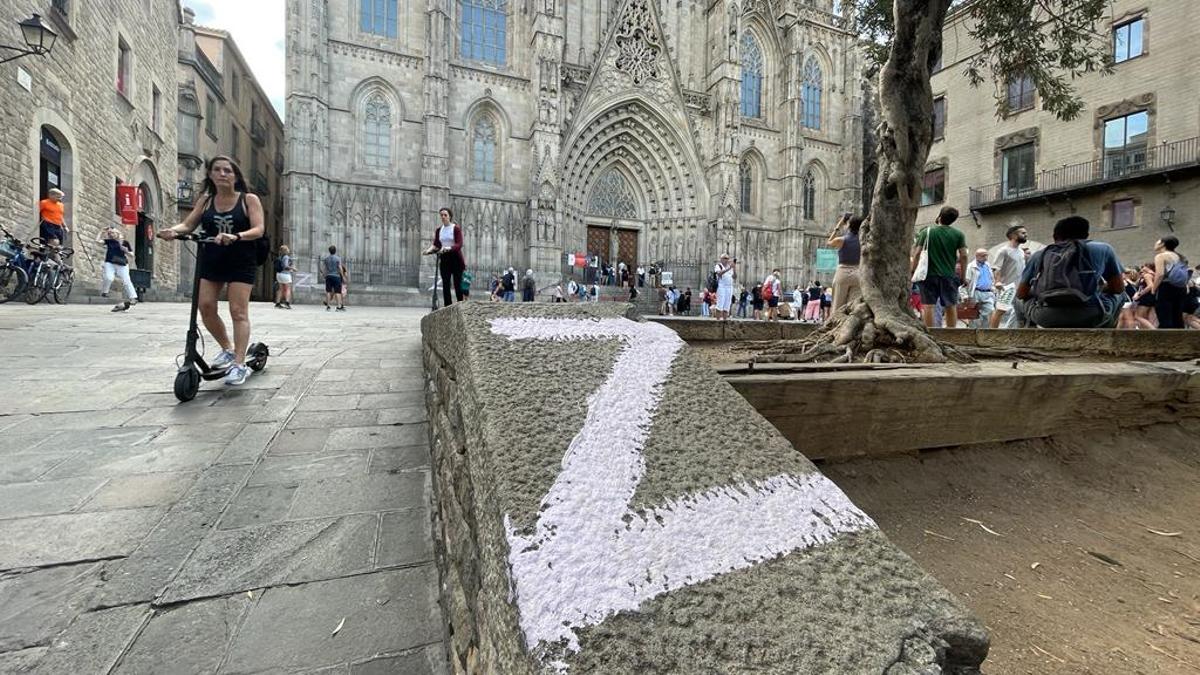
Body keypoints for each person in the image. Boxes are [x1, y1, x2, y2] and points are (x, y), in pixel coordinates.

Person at [157, 155, 265, 386]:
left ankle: (239, 364)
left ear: (235, 175)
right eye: (217, 170)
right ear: (210, 174)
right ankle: (228, 348)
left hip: (241, 259)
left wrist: (236, 236)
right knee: (205, 307)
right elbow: (188, 224)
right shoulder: (206, 201)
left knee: (238, 311)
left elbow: (258, 229)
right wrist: (173, 231)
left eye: (228, 170)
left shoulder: (249, 199)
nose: (222, 174)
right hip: (212, 258)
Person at [1017, 215, 1125, 329]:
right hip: (1092, 316)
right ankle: (1105, 334)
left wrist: (1040, 291)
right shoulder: (1104, 249)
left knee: (1017, 299)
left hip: (1046, 317)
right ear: (1086, 235)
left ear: (1055, 237)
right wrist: (1098, 288)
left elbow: (1021, 294)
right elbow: (1118, 288)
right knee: (1122, 295)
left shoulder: (1039, 255)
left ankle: (1028, 333)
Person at [912, 206, 968, 328]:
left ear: (939, 216)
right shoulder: (958, 234)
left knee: (928, 306)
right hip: (949, 275)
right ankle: (951, 334)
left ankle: (931, 334)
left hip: (928, 275)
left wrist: (912, 271)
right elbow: (963, 255)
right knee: (950, 305)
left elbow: (916, 253)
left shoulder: (926, 232)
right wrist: (963, 276)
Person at [424, 207, 465, 308]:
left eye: (445, 215)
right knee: (445, 284)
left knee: (457, 285)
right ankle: (448, 307)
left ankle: (461, 305)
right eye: (441, 215)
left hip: (455, 259)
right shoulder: (439, 230)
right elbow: (436, 244)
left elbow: (459, 244)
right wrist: (429, 250)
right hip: (445, 259)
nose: (443, 217)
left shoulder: (455, 229)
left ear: (449, 216)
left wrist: (449, 248)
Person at [991, 224, 1028, 328]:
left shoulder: (1021, 251)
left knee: (1020, 312)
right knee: (1000, 310)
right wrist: (997, 281)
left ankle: (1012, 333)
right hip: (1007, 287)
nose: (1026, 235)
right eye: (1023, 233)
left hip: (1019, 287)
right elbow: (996, 268)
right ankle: (990, 335)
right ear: (1013, 235)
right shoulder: (1003, 251)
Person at [1149, 235, 1190, 329]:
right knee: (1177, 316)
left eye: (1157, 241)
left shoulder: (1161, 256)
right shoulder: (1181, 257)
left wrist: (1153, 289)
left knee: (1164, 316)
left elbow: (1160, 274)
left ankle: (1166, 341)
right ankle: (1180, 340)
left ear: (1162, 244)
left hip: (1166, 287)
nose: (1155, 243)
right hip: (1181, 288)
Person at [828, 214, 863, 312]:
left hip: (843, 273)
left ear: (848, 225)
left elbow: (829, 242)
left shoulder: (842, 240)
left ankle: (836, 325)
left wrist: (838, 226)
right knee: (853, 307)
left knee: (837, 306)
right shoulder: (863, 240)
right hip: (858, 274)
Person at [98, 225, 137, 312]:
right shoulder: (109, 241)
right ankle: (105, 292)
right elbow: (97, 241)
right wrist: (101, 231)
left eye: (112, 233)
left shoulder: (124, 242)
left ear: (117, 233)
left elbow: (132, 255)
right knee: (108, 277)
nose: (111, 234)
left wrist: (126, 251)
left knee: (126, 280)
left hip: (122, 264)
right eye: (109, 233)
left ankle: (133, 297)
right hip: (110, 262)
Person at [962, 248, 996, 328]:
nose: (986, 258)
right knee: (974, 316)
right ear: (977, 256)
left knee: (990, 311)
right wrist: (964, 295)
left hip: (987, 293)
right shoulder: (971, 267)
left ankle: (985, 333)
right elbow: (965, 282)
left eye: (986, 255)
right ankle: (973, 333)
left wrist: (992, 288)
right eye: (983, 256)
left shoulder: (987, 265)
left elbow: (991, 278)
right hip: (976, 293)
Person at [321, 245, 346, 311]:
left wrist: (324, 275)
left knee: (328, 291)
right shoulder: (338, 258)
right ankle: (338, 306)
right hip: (336, 276)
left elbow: (324, 268)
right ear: (335, 251)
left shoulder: (326, 259)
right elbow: (340, 268)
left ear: (329, 251)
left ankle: (328, 306)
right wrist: (342, 276)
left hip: (328, 276)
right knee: (337, 292)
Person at [713, 254, 736, 320]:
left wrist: (734, 269)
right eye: (725, 258)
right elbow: (719, 273)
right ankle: (718, 321)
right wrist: (729, 268)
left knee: (727, 305)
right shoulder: (718, 266)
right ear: (721, 259)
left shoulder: (730, 267)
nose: (727, 260)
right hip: (721, 286)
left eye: (727, 258)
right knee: (720, 304)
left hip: (729, 287)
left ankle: (725, 321)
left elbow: (734, 277)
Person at [274, 244, 294, 309]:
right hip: (285, 274)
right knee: (288, 289)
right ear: (286, 250)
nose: (289, 250)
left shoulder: (280, 257)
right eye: (288, 249)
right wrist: (292, 268)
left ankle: (277, 303)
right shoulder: (286, 257)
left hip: (279, 274)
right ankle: (287, 303)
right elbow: (285, 266)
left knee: (280, 289)